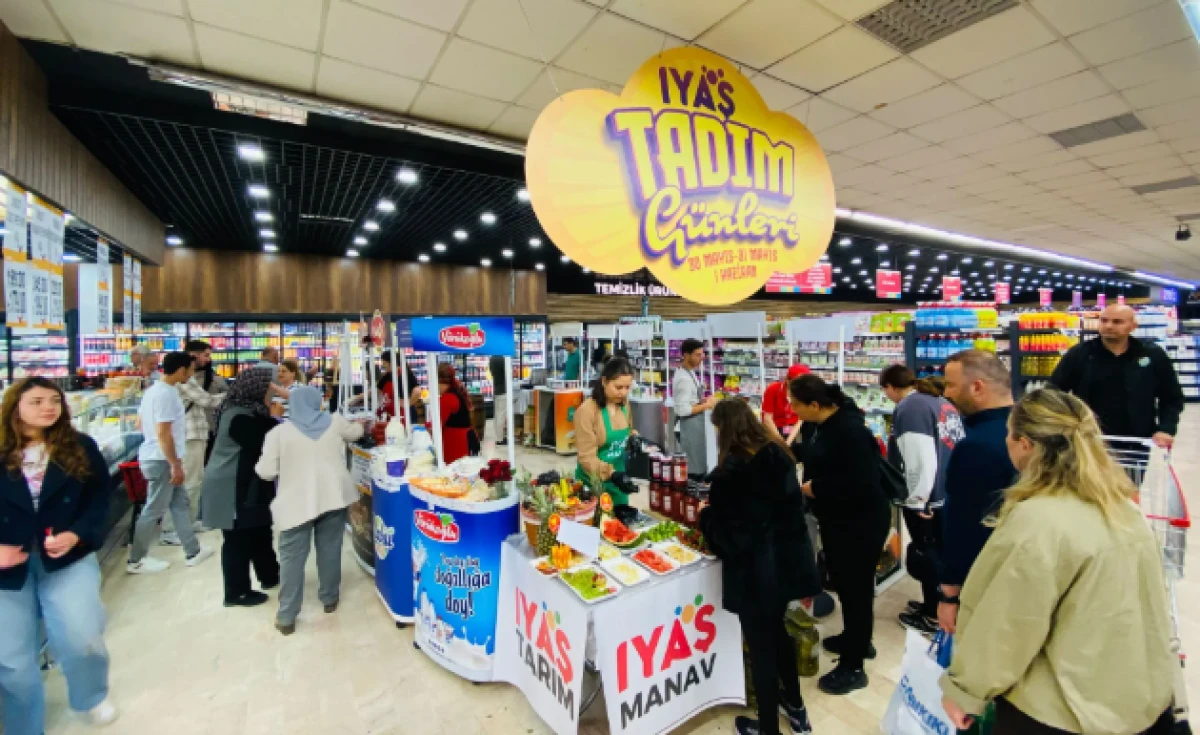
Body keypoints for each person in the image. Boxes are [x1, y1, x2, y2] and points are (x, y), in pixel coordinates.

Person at [940, 389, 1177, 735]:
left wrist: (966, 692)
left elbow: (1009, 623)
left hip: (1060, 711)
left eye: (1009, 434)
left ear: (1025, 445)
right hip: (1133, 698)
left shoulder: (1038, 521)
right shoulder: (1124, 509)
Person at [0, 378, 117, 732]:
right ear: (14, 406)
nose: (48, 407)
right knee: (11, 662)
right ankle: (24, 727)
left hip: (68, 559)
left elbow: (99, 499)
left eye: (54, 400)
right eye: (37, 401)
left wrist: (77, 533)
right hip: (8, 567)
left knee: (83, 637)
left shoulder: (79, 446)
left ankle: (90, 696)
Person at [699, 399, 819, 735]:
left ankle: (767, 728)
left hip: (756, 575)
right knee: (779, 634)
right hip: (786, 567)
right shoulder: (778, 455)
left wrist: (706, 517)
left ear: (724, 429)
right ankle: (795, 708)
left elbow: (731, 540)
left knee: (761, 650)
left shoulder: (731, 475)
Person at [788, 374, 890, 695]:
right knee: (847, 587)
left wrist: (816, 488)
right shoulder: (826, 425)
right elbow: (821, 456)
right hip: (842, 520)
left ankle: (853, 667)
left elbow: (861, 482)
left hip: (860, 523)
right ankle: (855, 639)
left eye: (795, 404)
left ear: (814, 405)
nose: (792, 410)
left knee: (856, 590)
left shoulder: (850, 431)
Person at [255, 386, 364, 635]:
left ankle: (287, 616)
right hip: (333, 497)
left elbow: (266, 472)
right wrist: (361, 424)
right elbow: (356, 433)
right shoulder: (335, 422)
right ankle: (329, 598)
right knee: (330, 549)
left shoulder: (278, 433)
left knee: (291, 558)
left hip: (295, 503)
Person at [879, 364, 964, 635]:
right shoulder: (936, 401)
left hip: (929, 499)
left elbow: (921, 458)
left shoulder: (910, 407)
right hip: (946, 493)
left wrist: (918, 499)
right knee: (938, 553)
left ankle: (933, 616)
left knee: (928, 556)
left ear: (891, 387)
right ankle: (933, 604)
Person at [936, 349, 1016, 636]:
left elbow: (963, 524)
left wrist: (949, 593)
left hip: (985, 576)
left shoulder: (976, 446)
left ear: (977, 387)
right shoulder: (1030, 430)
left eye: (950, 385)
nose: (946, 394)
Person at [127, 352, 215, 574]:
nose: (191, 375)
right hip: (162, 460)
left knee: (179, 504)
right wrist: (175, 463)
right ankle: (136, 559)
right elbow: (163, 433)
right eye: (190, 370)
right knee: (153, 509)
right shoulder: (166, 394)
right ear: (181, 370)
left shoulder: (153, 391)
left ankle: (193, 550)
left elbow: (140, 424)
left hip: (156, 456)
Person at [202, 368, 282, 607]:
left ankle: (270, 575)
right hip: (232, 487)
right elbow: (266, 442)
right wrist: (275, 419)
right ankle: (236, 593)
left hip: (248, 484)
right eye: (269, 388)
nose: (273, 393)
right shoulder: (239, 416)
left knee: (260, 529)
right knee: (238, 538)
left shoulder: (248, 411)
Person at [1049, 304, 1183, 448]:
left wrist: (1166, 429)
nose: (1109, 326)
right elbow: (1053, 392)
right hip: (1088, 438)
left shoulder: (1151, 354)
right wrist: (1060, 424)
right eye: (1104, 320)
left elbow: (1171, 397)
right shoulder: (1079, 354)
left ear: (1133, 326)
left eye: (1117, 322)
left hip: (1136, 441)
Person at [172, 342, 229, 537]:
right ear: (193, 356)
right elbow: (207, 401)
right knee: (190, 481)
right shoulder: (185, 380)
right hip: (190, 434)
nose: (208, 359)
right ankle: (180, 526)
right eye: (205, 355)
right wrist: (233, 393)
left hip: (196, 433)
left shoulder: (187, 378)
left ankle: (190, 520)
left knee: (195, 479)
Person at [574, 358, 636, 504]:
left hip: (619, 484)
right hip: (592, 485)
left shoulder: (624, 405)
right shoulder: (587, 411)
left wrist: (633, 439)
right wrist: (612, 474)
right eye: (618, 387)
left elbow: (627, 431)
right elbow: (586, 458)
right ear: (604, 381)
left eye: (627, 387)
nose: (623, 393)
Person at [673, 338, 717, 477]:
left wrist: (702, 400)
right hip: (688, 427)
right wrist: (706, 405)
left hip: (695, 426)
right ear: (686, 355)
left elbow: (690, 401)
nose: (701, 358)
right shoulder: (684, 379)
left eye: (702, 354)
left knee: (699, 464)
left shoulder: (689, 372)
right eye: (698, 355)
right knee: (694, 469)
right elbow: (683, 410)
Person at [761, 364, 810, 446]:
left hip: (794, 428)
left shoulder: (804, 393)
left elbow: (800, 420)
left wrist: (788, 442)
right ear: (788, 380)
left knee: (799, 446)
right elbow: (767, 419)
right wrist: (781, 442)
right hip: (774, 427)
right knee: (773, 449)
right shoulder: (772, 389)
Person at [435, 363, 474, 464]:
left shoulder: (447, 398)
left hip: (455, 445)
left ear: (439, 381)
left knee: (454, 471)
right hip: (465, 440)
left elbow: (438, 424)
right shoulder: (456, 391)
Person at [489, 353, 509, 445]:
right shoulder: (502, 359)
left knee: (497, 415)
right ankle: (500, 438)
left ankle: (498, 437)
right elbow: (507, 374)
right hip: (503, 390)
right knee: (501, 415)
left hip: (496, 389)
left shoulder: (492, 358)